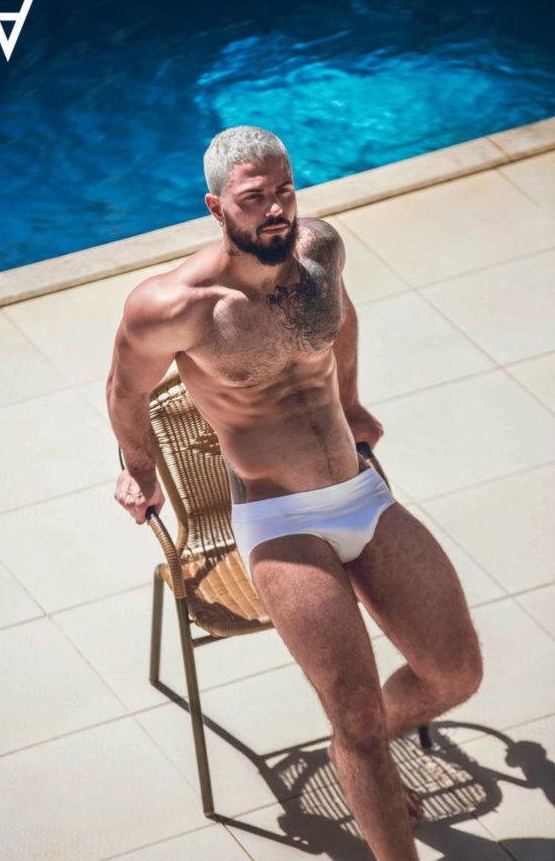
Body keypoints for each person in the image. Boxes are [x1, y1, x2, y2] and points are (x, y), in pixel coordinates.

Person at [107, 125, 483, 861]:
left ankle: (358, 748)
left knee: (456, 672)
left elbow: (337, 325)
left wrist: (352, 398)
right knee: (358, 717)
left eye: (284, 191)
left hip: (360, 493)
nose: (276, 209)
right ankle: (363, 753)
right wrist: (138, 466)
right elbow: (124, 388)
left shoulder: (319, 253)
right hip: (280, 519)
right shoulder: (173, 304)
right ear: (216, 206)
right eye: (255, 199)